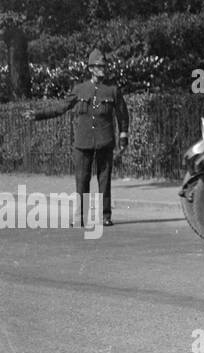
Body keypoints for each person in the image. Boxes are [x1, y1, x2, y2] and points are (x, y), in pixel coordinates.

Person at [25, 48, 129, 228]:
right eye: (98, 66)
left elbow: (123, 115)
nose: (102, 69)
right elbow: (61, 107)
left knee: (104, 180)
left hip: (104, 140)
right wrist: (38, 114)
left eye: (104, 66)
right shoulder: (80, 89)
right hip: (83, 142)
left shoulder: (112, 90)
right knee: (82, 180)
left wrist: (123, 137)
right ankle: (81, 216)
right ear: (90, 69)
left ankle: (105, 215)